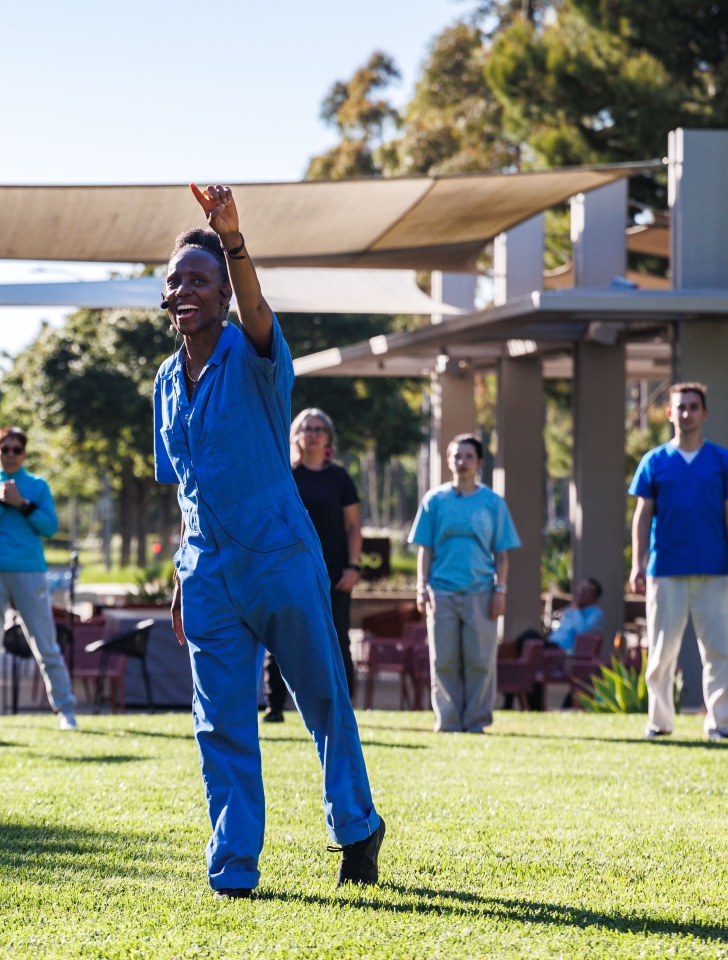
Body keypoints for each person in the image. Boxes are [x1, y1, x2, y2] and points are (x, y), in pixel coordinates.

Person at [155, 183, 384, 897]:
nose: (182, 290)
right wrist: (179, 584)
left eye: (198, 279)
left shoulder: (253, 353)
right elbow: (186, 492)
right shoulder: (165, 382)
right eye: (174, 281)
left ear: (224, 293)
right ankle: (234, 869)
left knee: (323, 701)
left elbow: (259, 313)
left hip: (280, 561)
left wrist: (233, 239)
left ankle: (357, 828)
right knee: (219, 722)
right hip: (208, 575)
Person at [630, 381, 728, 741]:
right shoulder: (654, 461)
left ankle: (719, 724)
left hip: (713, 570)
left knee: (717, 651)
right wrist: (638, 562)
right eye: (680, 407)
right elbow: (642, 514)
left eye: (693, 406)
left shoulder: (721, 460)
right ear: (669, 413)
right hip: (665, 569)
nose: (687, 413)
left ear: (704, 413)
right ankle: (660, 721)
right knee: (662, 653)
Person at [0, 426, 78, 731]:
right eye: (5, 449)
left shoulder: (38, 486)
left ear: (24, 454)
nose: (11, 454)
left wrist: (22, 504)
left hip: (30, 572)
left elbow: (49, 528)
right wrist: (1, 504)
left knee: (46, 646)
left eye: (17, 449)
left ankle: (65, 711)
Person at [409, 434, 521, 733]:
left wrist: (500, 590)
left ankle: (476, 722)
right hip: (441, 592)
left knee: (480, 662)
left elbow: (502, 553)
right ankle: (447, 721)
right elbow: (425, 548)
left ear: (479, 462)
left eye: (468, 456)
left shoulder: (493, 503)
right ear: (448, 461)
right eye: (456, 456)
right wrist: (421, 587)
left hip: (481, 593)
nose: (462, 461)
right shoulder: (434, 500)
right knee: (443, 661)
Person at [262, 408, 362, 722]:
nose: (313, 434)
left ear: (328, 436)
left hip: (333, 572)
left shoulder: (340, 478)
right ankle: (274, 706)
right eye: (306, 429)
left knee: (337, 639)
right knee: (280, 637)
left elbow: (353, 527)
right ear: (296, 436)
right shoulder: (284, 475)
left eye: (319, 429)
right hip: (290, 569)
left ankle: (343, 706)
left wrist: (353, 567)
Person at [548, 578, 605, 655]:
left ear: (595, 598)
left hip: (565, 652)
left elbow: (583, 634)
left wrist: (575, 610)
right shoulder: (570, 609)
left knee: (530, 635)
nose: (582, 592)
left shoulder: (596, 614)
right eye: (581, 588)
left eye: (587, 590)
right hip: (552, 647)